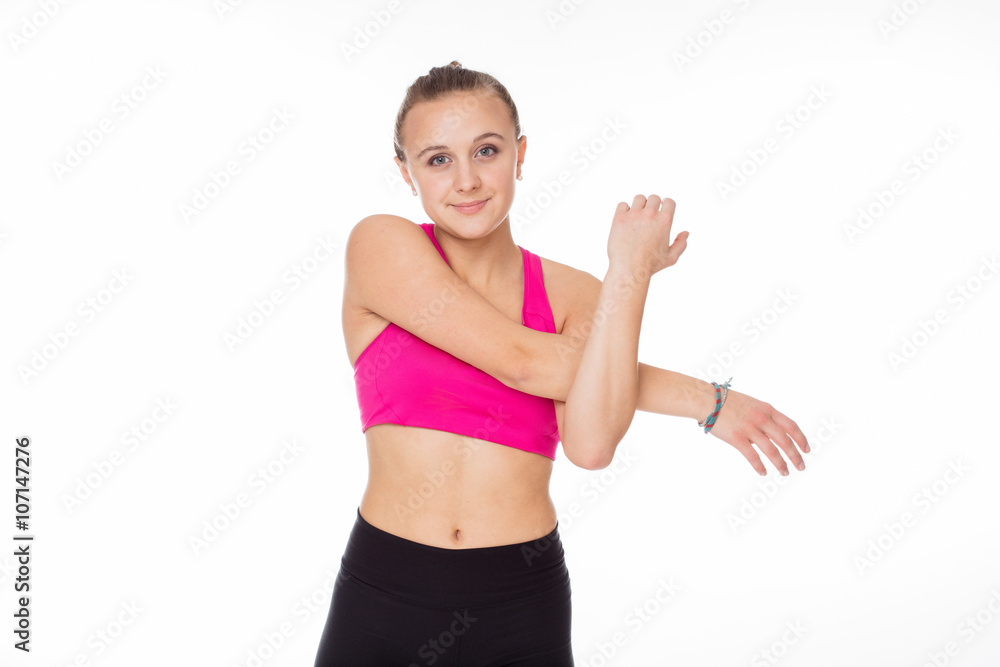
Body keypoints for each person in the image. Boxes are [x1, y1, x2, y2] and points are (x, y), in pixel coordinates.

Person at [313, 60, 809, 666]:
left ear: (520, 155)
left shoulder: (576, 295)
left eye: (487, 150)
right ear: (406, 172)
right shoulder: (382, 245)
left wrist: (628, 275)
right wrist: (709, 401)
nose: (466, 179)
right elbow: (523, 362)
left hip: (520, 600)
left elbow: (592, 445)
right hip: (388, 589)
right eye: (438, 159)